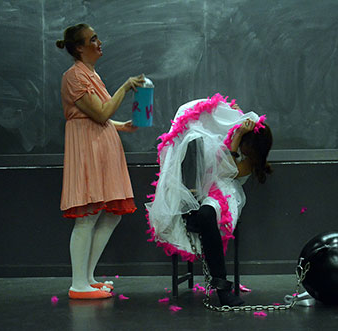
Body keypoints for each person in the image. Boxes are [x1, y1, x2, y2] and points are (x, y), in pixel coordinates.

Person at [146, 94, 273, 306]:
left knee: (206, 214)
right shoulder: (234, 141)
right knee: (201, 213)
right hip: (210, 191)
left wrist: (238, 135)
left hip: (229, 196)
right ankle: (203, 231)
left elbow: (226, 171)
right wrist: (233, 120)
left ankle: (221, 286)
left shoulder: (249, 161)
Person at [56, 23, 145, 299]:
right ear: (80, 47)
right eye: (93, 39)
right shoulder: (74, 77)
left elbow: (99, 117)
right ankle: (77, 284)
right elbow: (100, 113)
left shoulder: (90, 74)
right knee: (88, 216)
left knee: (110, 215)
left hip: (102, 149)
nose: (99, 42)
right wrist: (126, 87)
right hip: (88, 151)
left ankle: (88, 276)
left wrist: (121, 126)